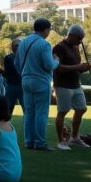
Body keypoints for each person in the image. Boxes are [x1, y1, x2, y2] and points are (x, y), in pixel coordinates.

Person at [15, 18, 60, 151]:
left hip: (25, 80)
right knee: (41, 112)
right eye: (49, 29)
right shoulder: (44, 44)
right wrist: (57, 61)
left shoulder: (23, 43)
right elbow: (49, 65)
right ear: (45, 29)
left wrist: (24, 74)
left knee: (29, 113)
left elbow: (17, 63)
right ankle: (40, 142)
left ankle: (29, 141)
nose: (49, 32)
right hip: (41, 80)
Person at [52, 25, 91, 150]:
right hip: (63, 85)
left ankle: (74, 137)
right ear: (71, 35)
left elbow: (75, 68)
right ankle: (61, 141)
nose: (80, 41)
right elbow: (57, 68)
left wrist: (83, 68)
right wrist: (78, 67)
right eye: (79, 38)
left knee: (82, 108)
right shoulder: (59, 48)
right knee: (62, 112)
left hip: (75, 84)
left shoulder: (75, 48)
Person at [1, 38, 24, 115]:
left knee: (27, 111)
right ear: (12, 47)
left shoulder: (26, 57)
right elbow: (7, 74)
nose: (18, 47)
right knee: (7, 110)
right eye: (16, 46)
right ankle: (5, 126)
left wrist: (2, 72)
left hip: (23, 85)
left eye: (19, 46)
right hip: (11, 86)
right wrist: (2, 72)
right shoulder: (8, 58)